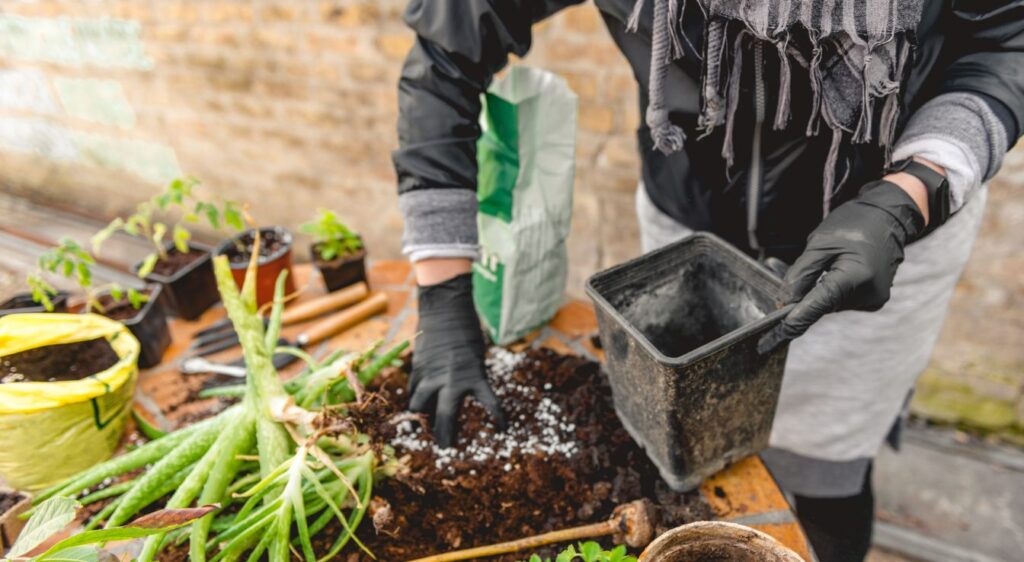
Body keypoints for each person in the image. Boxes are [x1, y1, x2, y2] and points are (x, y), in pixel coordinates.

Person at [391, 2, 1023, 561]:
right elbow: (449, 43)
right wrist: (444, 294)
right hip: (686, 233)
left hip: (873, 238)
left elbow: (1005, 41)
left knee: (825, 469)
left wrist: (912, 191)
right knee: (682, 458)